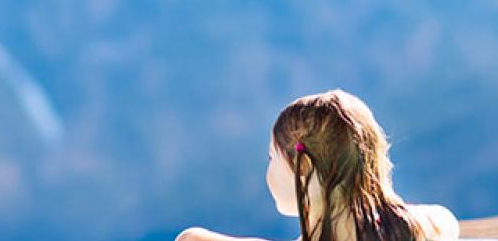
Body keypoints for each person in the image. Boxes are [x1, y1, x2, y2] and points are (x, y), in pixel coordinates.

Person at [176, 88, 459, 241]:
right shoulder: (423, 227)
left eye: (271, 158)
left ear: (303, 168)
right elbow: (444, 220)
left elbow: (190, 239)